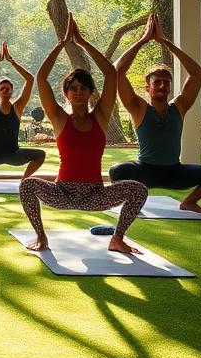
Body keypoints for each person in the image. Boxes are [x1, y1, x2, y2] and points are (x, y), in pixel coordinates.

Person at [19, 14, 147, 254]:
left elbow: (111, 74)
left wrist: (84, 43)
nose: (78, 92)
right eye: (73, 88)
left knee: (138, 190)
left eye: (83, 88)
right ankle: (41, 237)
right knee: (26, 186)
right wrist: (61, 44)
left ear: (90, 92)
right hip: (63, 192)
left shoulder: (100, 116)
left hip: (94, 194)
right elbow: (41, 78)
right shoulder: (59, 118)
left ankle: (117, 239)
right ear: (66, 93)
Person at [110, 14, 201, 213]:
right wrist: (143, 40)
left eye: (166, 82)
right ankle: (132, 201)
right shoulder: (138, 107)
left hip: (174, 172)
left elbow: (197, 73)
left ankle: (189, 202)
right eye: (157, 82)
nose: (162, 85)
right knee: (118, 170)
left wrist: (166, 43)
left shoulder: (180, 106)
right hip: (145, 171)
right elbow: (117, 71)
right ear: (148, 87)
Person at [0, 42, 45, 188]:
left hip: (14, 154)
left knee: (40, 155)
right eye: (2, 88)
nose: (5, 90)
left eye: (8, 88)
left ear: (11, 91)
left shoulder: (18, 107)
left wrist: (12, 61)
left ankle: (24, 181)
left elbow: (30, 79)